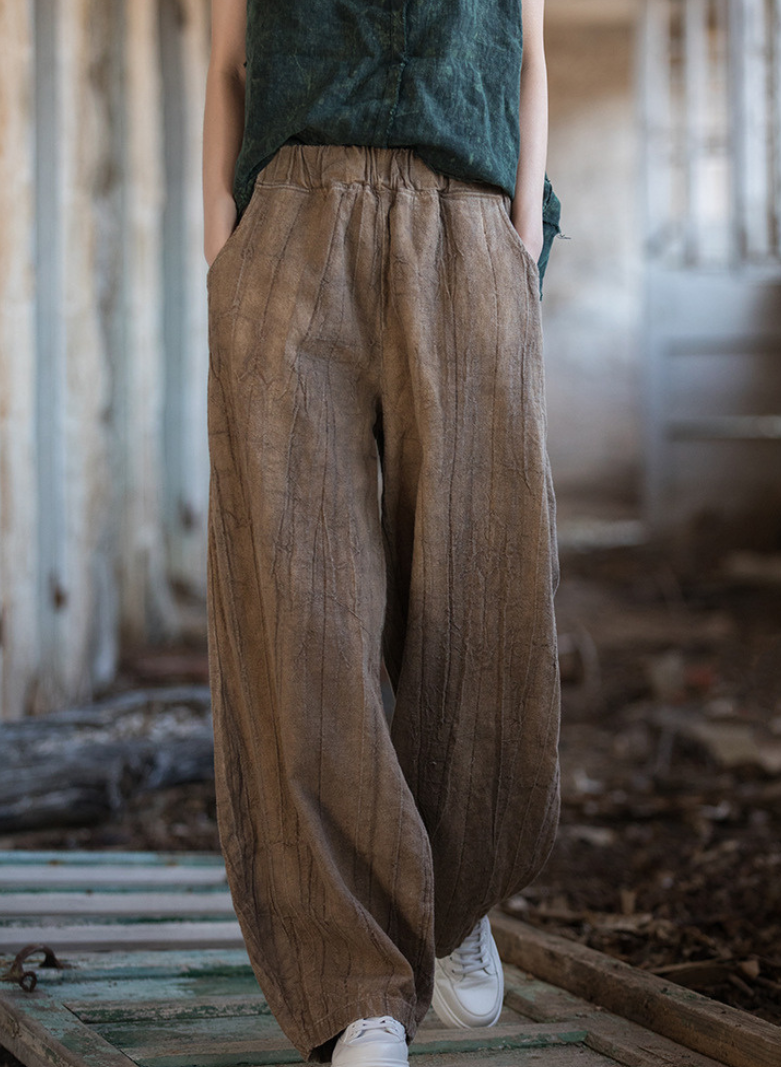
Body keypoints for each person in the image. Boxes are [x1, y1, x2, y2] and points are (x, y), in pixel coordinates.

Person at [202, 1, 563, 1064]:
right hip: (290, 228)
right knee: (298, 592)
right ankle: (354, 980)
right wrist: (219, 250)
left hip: (467, 223)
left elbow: (528, 53)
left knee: (481, 575)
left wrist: (518, 236)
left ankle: (448, 897)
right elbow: (226, 62)